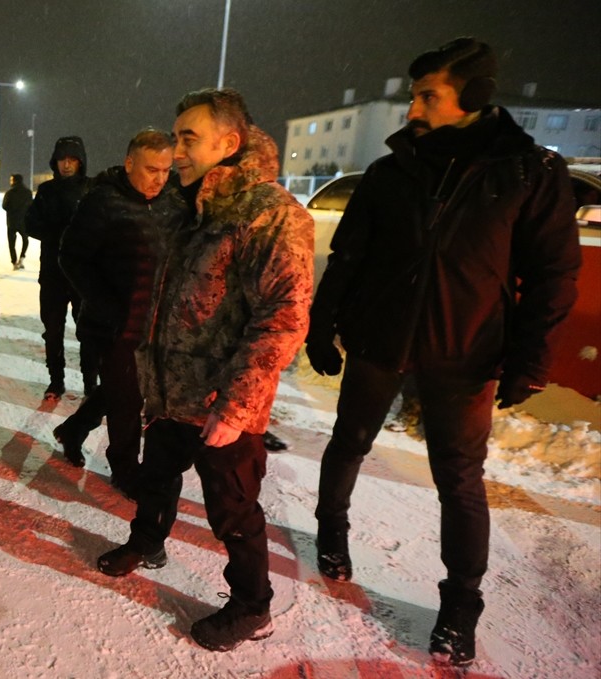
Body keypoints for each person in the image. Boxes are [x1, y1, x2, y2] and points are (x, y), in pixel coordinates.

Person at [306, 38, 581, 667]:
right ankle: (331, 531)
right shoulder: (390, 172)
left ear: (474, 97)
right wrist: (323, 325)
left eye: (428, 96)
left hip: (465, 354)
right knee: (349, 441)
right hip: (380, 342)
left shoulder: (528, 173)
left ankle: (460, 606)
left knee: (459, 482)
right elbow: (348, 258)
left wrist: (530, 361)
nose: (412, 109)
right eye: (413, 96)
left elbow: (553, 276)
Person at [95, 89, 313, 654]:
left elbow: (284, 316)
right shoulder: (185, 207)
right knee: (157, 476)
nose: (177, 150)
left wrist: (238, 406)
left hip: (224, 398)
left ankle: (252, 607)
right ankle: (147, 542)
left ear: (229, 142)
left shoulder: (271, 214)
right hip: (172, 386)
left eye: (189, 138)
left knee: (233, 508)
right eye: (175, 137)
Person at [54, 128, 185, 498]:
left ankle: (74, 429)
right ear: (129, 163)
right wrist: (107, 305)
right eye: (150, 169)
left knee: (123, 391)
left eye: (165, 170)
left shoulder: (171, 200)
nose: (159, 178)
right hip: (115, 325)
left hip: (156, 323)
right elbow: (72, 257)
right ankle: (125, 468)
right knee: (128, 401)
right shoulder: (103, 202)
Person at [25, 136, 97, 400]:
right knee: (53, 330)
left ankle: (91, 382)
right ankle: (56, 381)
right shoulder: (46, 191)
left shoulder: (91, 190)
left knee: (87, 332)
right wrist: (55, 232)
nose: (66, 165)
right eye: (62, 159)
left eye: (72, 160)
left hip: (83, 277)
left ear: (81, 162)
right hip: (53, 274)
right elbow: (30, 223)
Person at [2, 174, 33, 270]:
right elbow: (31, 206)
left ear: (14, 181)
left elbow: (4, 206)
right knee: (25, 239)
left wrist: (12, 210)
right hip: (24, 221)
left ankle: (14, 261)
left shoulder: (10, 192)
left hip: (12, 221)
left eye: (11, 180)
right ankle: (22, 257)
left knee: (12, 242)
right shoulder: (28, 192)